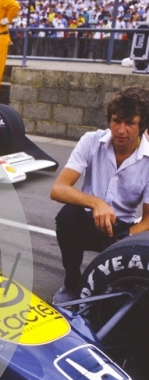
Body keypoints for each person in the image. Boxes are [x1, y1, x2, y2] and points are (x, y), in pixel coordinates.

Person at [50, 86, 149, 305]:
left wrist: (126, 237)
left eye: (130, 123)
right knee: (67, 216)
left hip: (122, 228)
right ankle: (71, 283)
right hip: (86, 220)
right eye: (116, 121)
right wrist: (96, 203)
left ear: (141, 126)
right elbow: (58, 189)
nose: (121, 130)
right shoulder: (91, 141)